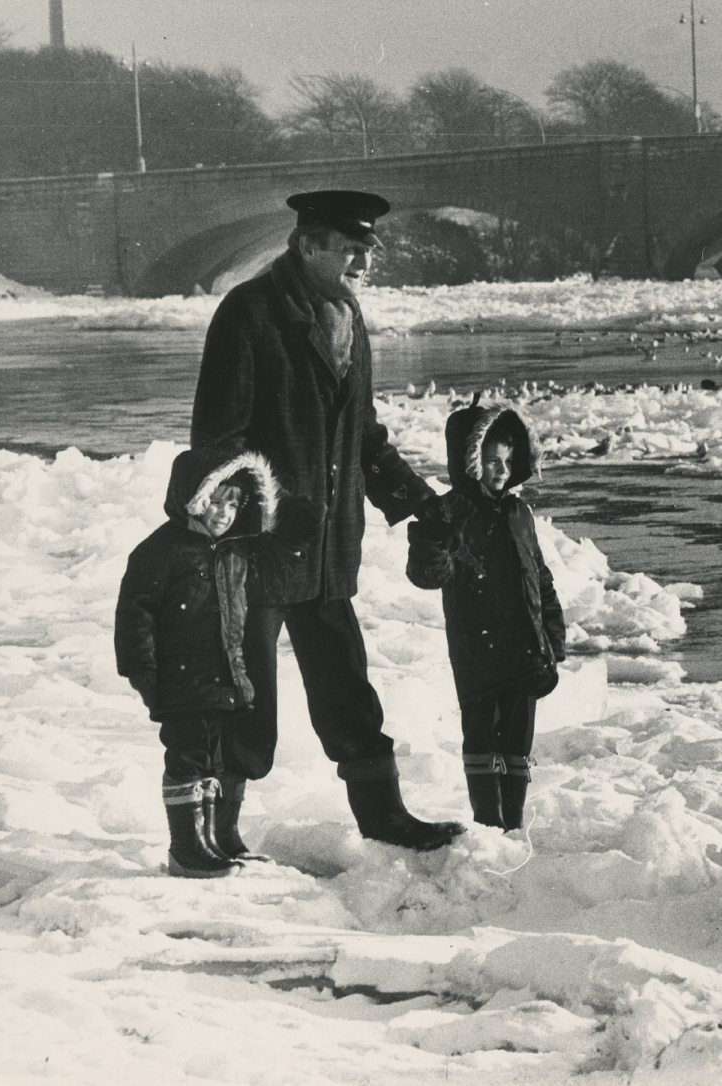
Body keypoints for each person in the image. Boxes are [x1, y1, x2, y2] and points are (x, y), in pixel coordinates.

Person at [190, 189, 463, 852]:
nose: (362, 261)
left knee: (346, 687)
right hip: (257, 550)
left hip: (328, 551)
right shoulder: (250, 313)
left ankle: (384, 819)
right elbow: (217, 441)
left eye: (367, 249)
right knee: (242, 700)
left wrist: (418, 499)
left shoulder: (344, 316)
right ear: (308, 245)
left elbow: (362, 436)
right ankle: (211, 835)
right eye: (349, 248)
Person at [115, 448, 312, 877]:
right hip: (179, 678)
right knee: (188, 757)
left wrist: (294, 537)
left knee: (221, 758)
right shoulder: (161, 550)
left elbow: (274, 584)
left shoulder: (235, 552)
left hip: (226, 675)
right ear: (192, 496)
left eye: (233, 504)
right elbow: (136, 612)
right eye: (215, 500)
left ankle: (216, 841)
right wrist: (142, 670)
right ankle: (186, 847)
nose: (223, 513)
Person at [406, 403, 565, 831]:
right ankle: (487, 823)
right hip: (477, 651)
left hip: (524, 648)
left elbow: (540, 578)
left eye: (509, 461)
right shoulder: (453, 513)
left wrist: (553, 633)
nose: (501, 469)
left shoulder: (520, 515)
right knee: (481, 739)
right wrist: (434, 537)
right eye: (492, 460)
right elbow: (426, 575)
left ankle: (512, 821)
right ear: (470, 461)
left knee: (518, 740)